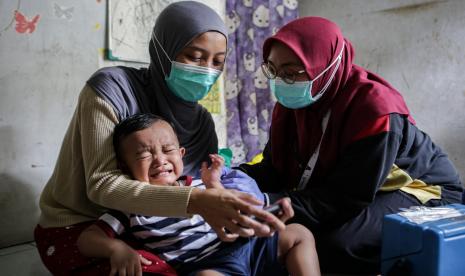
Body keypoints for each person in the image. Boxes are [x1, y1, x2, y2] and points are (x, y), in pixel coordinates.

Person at [34, 2, 290, 275]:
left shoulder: (201, 122)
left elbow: (192, 190)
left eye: (218, 62)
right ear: (163, 50)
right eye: (195, 56)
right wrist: (195, 202)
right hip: (85, 225)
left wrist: (246, 210)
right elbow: (103, 186)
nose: (208, 71)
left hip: (152, 230)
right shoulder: (112, 89)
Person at [238, 16, 464, 274]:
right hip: (363, 188)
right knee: (295, 232)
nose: (278, 82)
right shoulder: (294, 106)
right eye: (273, 70)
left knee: (335, 245)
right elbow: (274, 169)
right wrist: (233, 179)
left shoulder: (374, 111)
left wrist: (264, 201)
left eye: (290, 72)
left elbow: (343, 198)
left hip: (422, 189)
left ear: (325, 67)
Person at [76, 113, 321, 276]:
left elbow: (231, 215)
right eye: (144, 154)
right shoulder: (130, 204)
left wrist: (215, 185)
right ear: (124, 167)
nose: (160, 160)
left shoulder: (196, 185)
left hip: (248, 245)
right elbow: (87, 238)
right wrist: (116, 249)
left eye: (168, 149)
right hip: (210, 264)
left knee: (299, 234)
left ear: (181, 153)